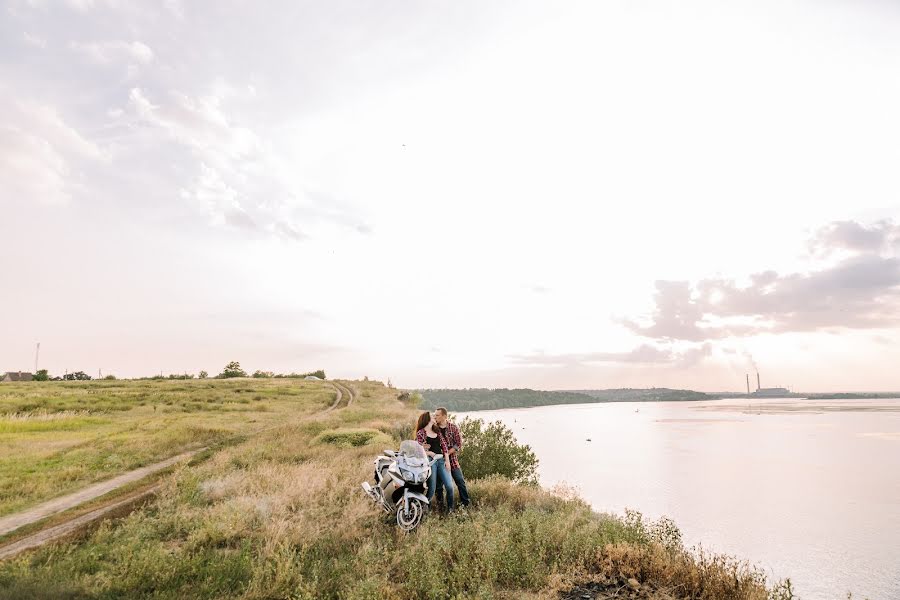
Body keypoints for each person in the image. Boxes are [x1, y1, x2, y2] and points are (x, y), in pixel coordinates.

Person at [414, 411, 455, 512]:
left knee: (450, 487)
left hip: (441, 461)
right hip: (430, 462)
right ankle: (424, 509)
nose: (434, 417)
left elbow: (444, 446)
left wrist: (447, 461)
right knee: (431, 489)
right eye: (432, 416)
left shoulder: (436, 431)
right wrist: (430, 453)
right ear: (427, 420)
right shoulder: (421, 433)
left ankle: (450, 510)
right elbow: (417, 450)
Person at [433, 407, 470, 508]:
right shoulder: (433, 428)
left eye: (437, 415)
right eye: (434, 415)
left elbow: (458, 444)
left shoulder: (453, 427)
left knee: (460, 482)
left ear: (444, 416)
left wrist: (447, 453)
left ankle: (465, 505)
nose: (435, 417)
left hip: (453, 460)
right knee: (439, 487)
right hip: (438, 461)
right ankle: (440, 507)